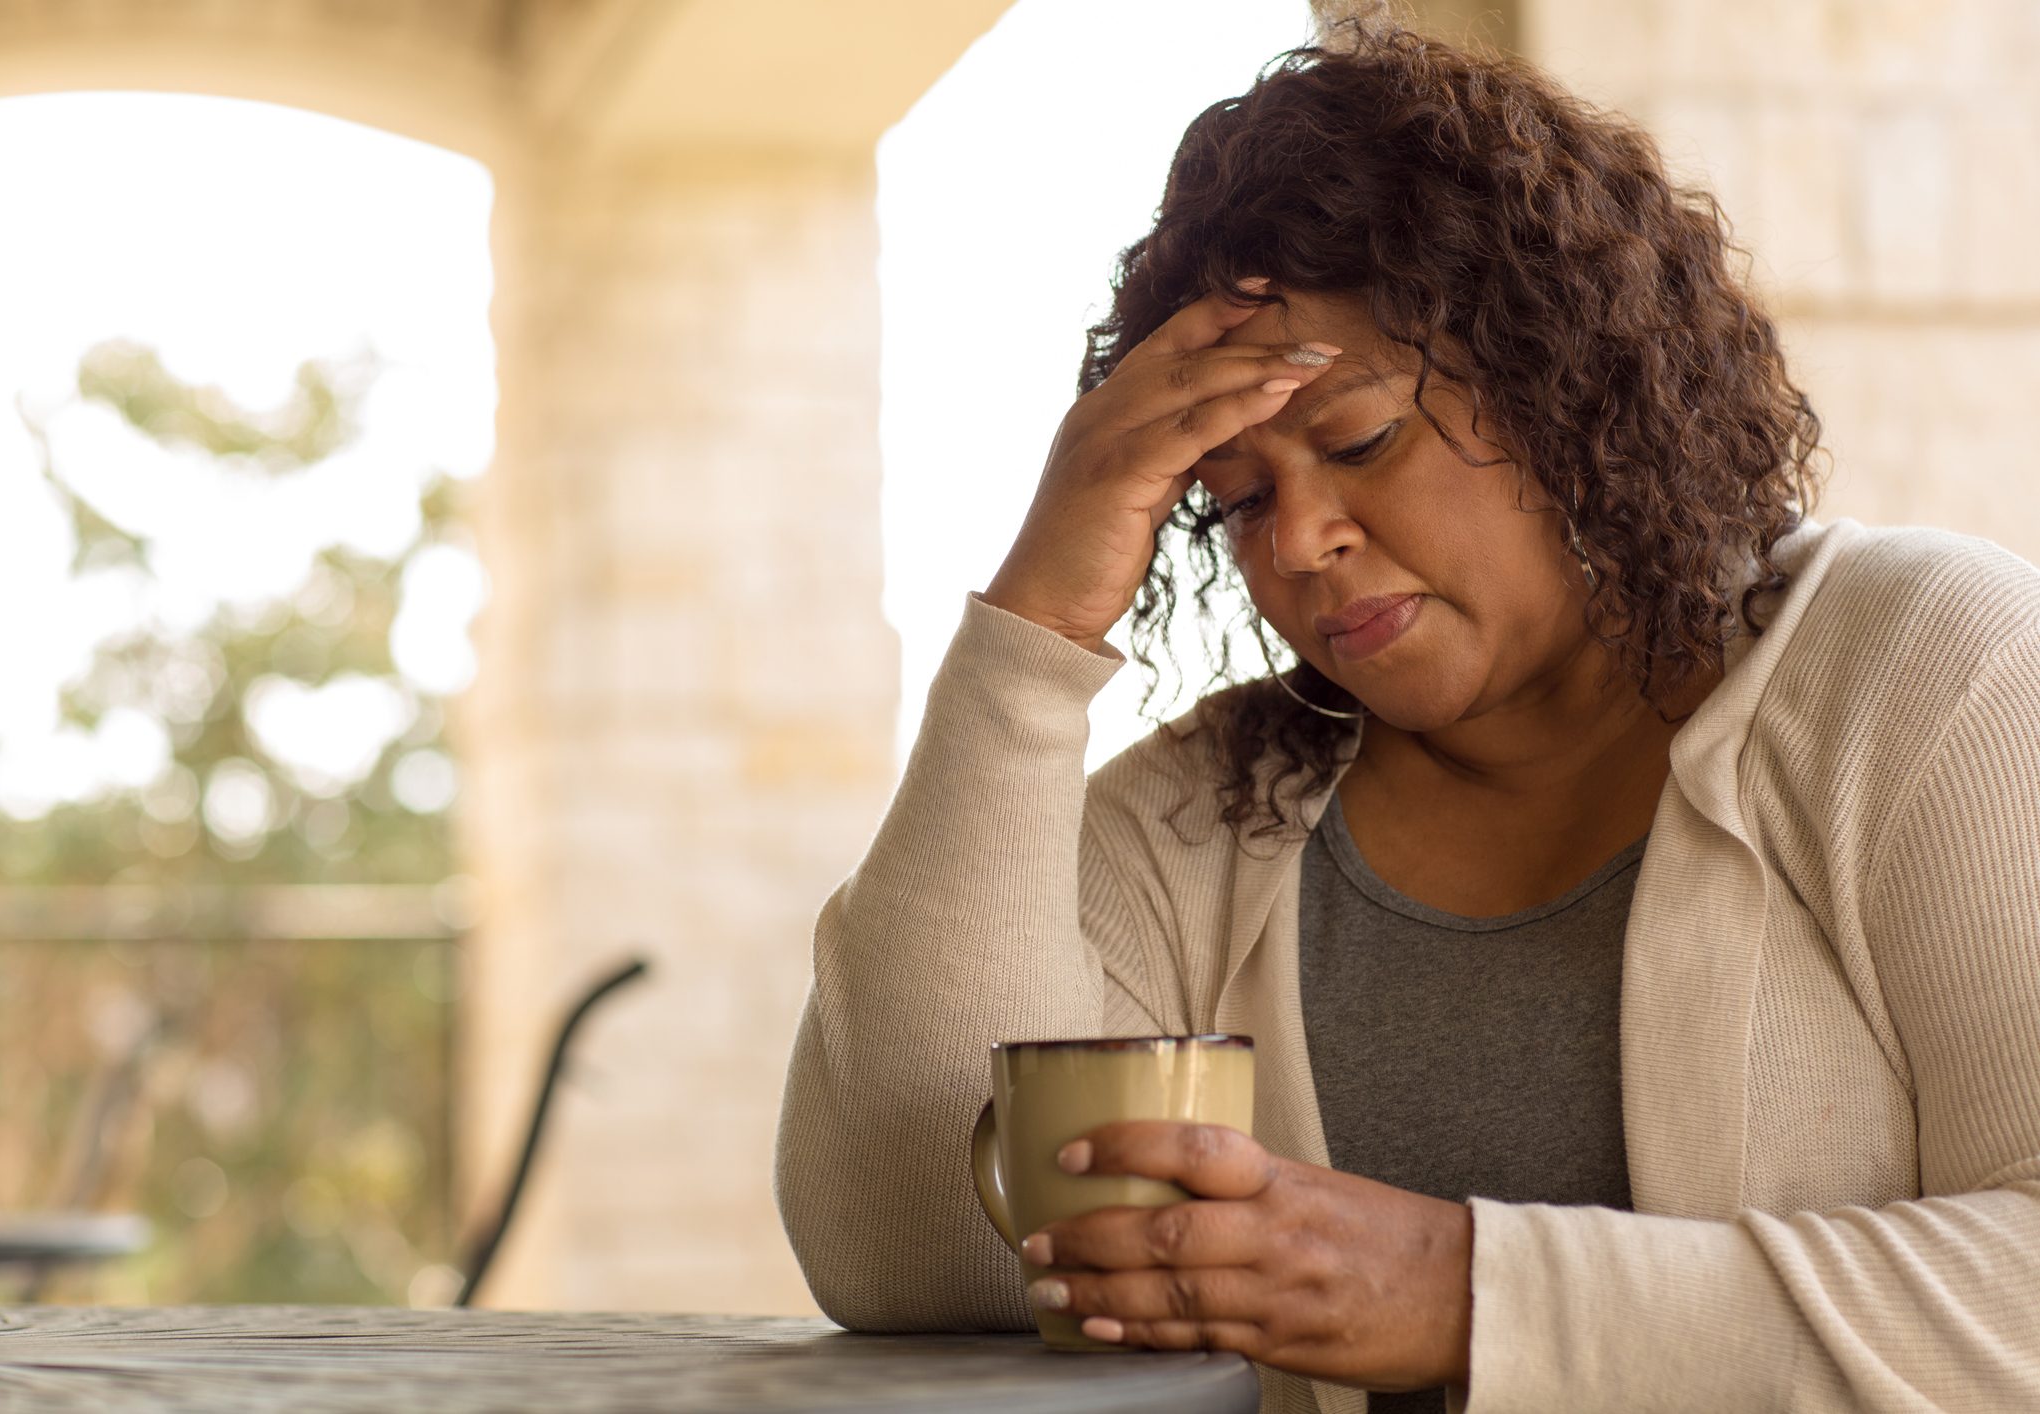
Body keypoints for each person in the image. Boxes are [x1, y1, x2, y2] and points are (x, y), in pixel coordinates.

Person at [775, 11, 2040, 1414]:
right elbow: (919, 1249)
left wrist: (1466, 1293)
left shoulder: (1921, 675)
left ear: (1564, 378)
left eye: (1359, 437)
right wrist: (1032, 633)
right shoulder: (1207, 823)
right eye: (1236, 498)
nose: (1297, 540)